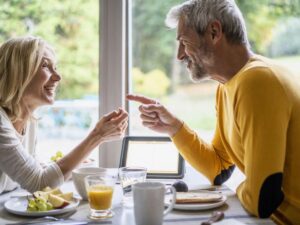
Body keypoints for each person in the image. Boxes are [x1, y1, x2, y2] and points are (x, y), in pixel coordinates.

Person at [127, 0, 300, 224]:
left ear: (214, 32)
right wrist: (175, 128)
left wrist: (238, 190)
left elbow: (262, 199)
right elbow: (219, 168)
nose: (180, 55)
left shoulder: (258, 81)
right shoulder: (227, 86)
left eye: (184, 41)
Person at [0, 36, 128, 194]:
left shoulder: (29, 119)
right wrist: (97, 136)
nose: (57, 77)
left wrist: (79, 162)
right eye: (45, 66)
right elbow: (39, 183)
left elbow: (34, 169)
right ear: (17, 72)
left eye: (56, 67)